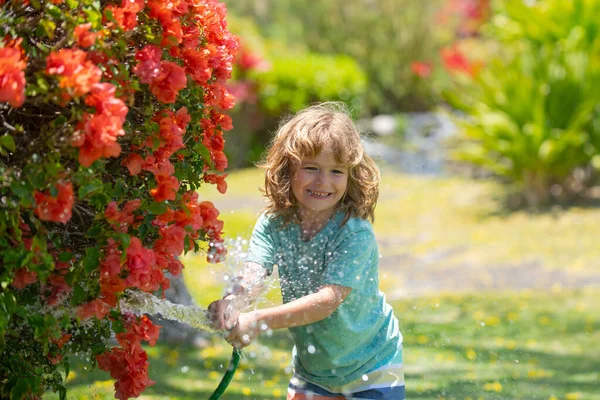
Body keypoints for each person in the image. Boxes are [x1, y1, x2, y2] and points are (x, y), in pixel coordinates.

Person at [208, 103, 404, 400]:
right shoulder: (273, 223)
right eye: (311, 168)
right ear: (289, 169)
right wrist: (234, 302)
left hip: (372, 364)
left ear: (350, 175)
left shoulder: (353, 233)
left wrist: (258, 320)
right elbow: (255, 272)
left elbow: (326, 301)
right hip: (313, 370)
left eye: (336, 171)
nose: (323, 182)